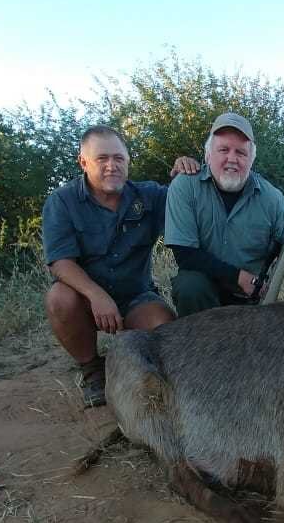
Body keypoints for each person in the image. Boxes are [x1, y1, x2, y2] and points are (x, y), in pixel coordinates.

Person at [43, 126, 199, 407]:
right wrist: (96, 295)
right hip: (85, 300)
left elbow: (185, 201)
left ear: (128, 161)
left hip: (136, 297)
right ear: (83, 162)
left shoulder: (150, 195)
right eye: (102, 159)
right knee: (59, 298)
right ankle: (92, 370)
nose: (111, 166)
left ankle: (136, 368)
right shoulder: (61, 201)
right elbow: (60, 263)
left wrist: (182, 173)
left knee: (163, 326)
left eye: (119, 158)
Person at [164, 112, 284, 316]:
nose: (232, 159)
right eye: (223, 150)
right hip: (205, 293)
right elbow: (185, 255)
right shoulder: (184, 185)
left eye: (241, 153)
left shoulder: (273, 198)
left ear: (252, 159)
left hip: (248, 299)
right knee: (190, 285)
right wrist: (240, 278)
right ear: (208, 155)